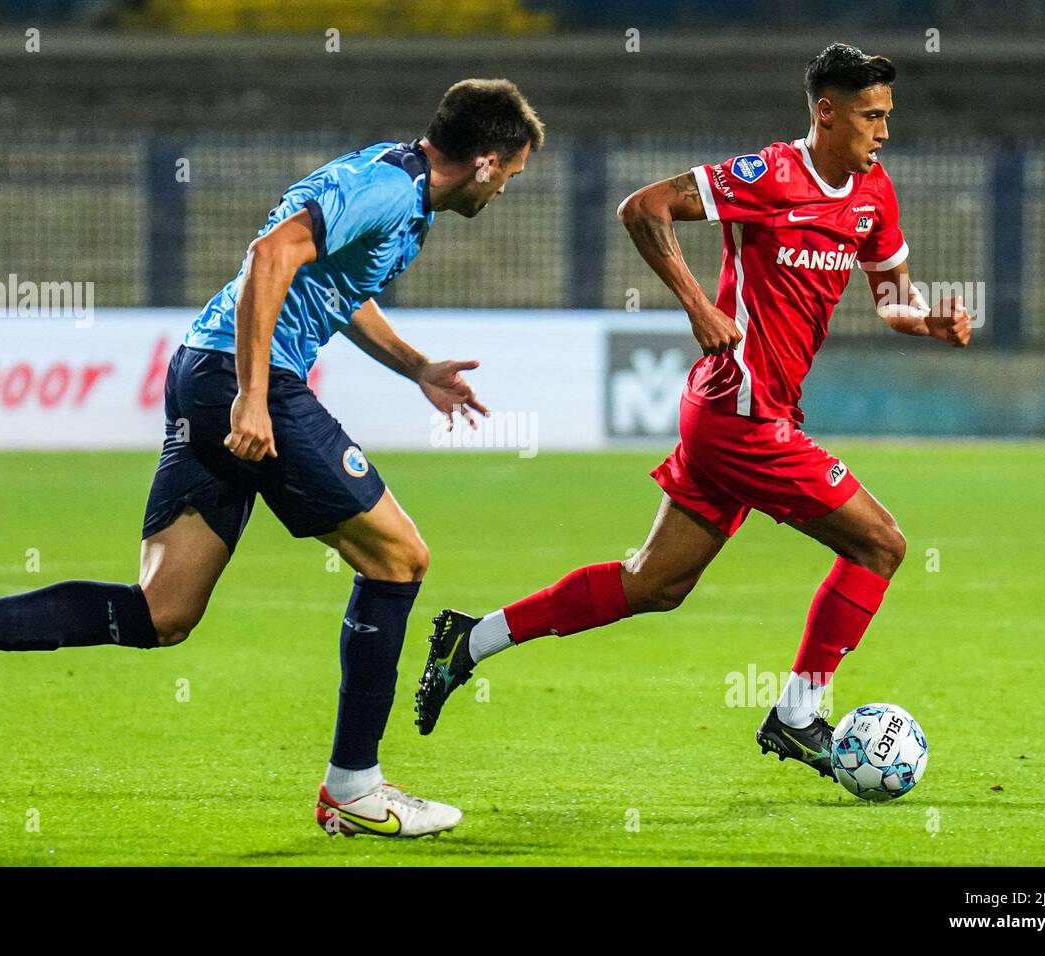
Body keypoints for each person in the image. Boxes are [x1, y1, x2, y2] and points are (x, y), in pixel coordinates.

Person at [0, 79, 544, 838]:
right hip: (244, 380)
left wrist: (416, 368)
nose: (510, 185)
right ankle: (353, 788)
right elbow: (270, 255)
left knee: (162, 611)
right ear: (483, 160)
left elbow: (333, 284)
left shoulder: (389, 179)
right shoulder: (389, 189)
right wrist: (251, 396)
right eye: (513, 170)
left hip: (203, 368)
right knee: (400, 559)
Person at [415, 44, 972, 782]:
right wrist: (698, 305)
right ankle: (798, 716)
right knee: (881, 545)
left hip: (751, 413)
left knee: (654, 584)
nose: (883, 132)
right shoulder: (768, 176)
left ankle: (470, 639)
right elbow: (641, 208)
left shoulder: (875, 194)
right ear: (826, 113)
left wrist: (925, 317)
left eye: (888, 117)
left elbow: (891, 297)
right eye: (871, 117)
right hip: (741, 415)